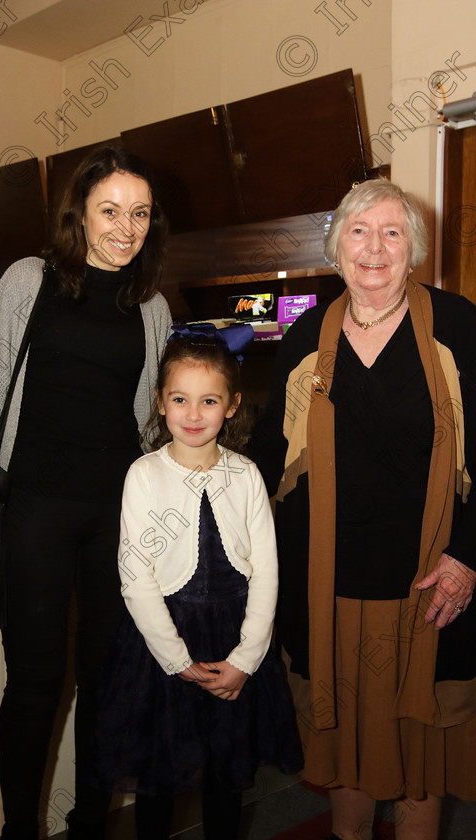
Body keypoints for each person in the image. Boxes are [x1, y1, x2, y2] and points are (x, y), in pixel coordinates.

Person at [0, 146, 172, 840]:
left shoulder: (149, 304)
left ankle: (90, 822)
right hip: (33, 509)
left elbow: (155, 418)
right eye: (111, 211)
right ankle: (17, 830)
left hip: (115, 518)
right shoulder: (30, 280)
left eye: (140, 213)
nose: (126, 227)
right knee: (33, 685)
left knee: (102, 682)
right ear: (80, 214)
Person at [250, 178, 476, 840]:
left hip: (430, 587)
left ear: (413, 250)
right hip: (328, 589)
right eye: (358, 231)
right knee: (344, 747)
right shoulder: (308, 338)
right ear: (336, 246)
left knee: (416, 757)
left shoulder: (458, 326)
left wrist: (468, 556)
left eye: (391, 232)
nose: (373, 248)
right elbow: (270, 453)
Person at [92, 325, 303, 840]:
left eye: (208, 400)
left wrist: (247, 658)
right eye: (180, 399)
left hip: (233, 639)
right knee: (159, 779)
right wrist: (175, 658)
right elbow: (134, 574)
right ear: (161, 403)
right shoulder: (143, 474)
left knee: (226, 775)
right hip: (162, 646)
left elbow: (267, 572)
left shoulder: (247, 474)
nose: (192, 413)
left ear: (231, 405)